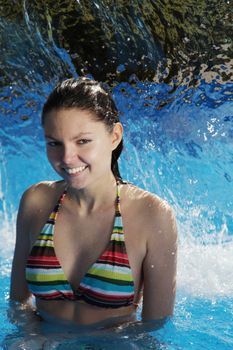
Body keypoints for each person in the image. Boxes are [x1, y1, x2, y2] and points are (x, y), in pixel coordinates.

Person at [10, 77, 177, 329]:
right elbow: (18, 304)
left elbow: (155, 325)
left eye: (83, 141)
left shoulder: (152, 215)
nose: (66, 157)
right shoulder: (35, 201)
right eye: (54, 143)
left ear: (114, 136)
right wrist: (28, 339)